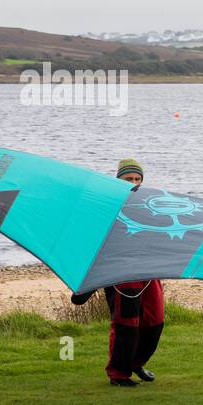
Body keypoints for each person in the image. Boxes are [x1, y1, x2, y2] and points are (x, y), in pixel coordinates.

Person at [72, 158, 166, 387]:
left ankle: (136, 363)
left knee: (156, 320)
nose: (133, 183)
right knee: (127, 324)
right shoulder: (108, 206)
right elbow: (93, 239)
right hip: (120, 274)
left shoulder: (148, 204)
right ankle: (119, 374)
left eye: (137, 179)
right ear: (118, 180)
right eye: (128, 179)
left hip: (147, 271)